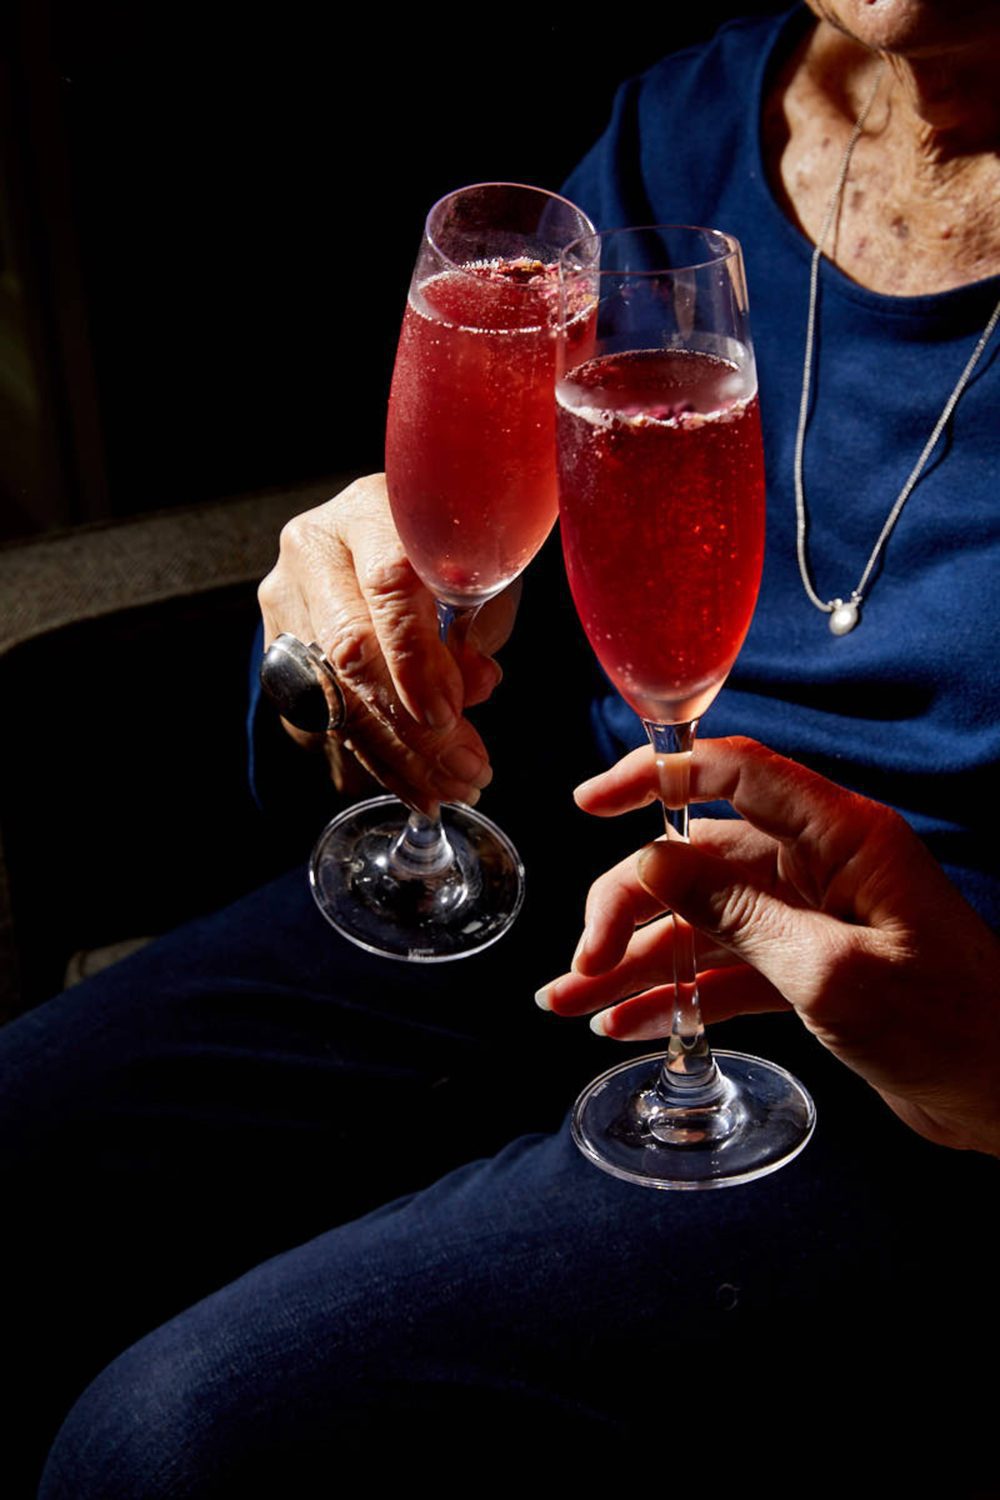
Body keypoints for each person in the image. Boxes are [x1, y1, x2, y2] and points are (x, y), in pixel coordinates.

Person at [3, 2, 998, 1493]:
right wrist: (352, 644)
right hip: (582, 869)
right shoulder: (684, 129)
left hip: (924, 1055)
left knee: (172, 1447)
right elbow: (499, 544)